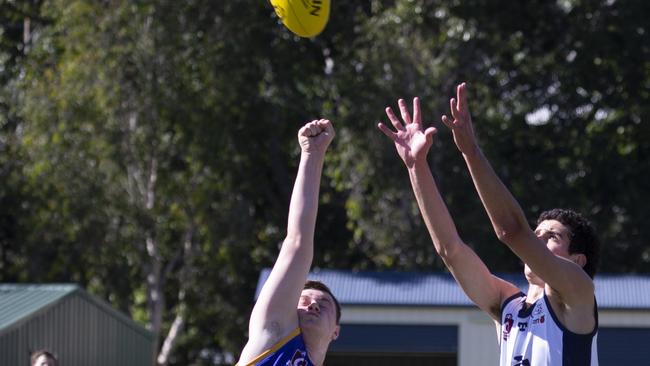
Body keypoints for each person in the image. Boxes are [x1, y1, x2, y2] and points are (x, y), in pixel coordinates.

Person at [377, 84, 599, 365]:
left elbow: (512, 231)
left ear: (578, 260)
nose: (537, 239)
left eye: (552, 236)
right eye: (537, 233)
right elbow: (450, 250)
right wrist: (416, 166)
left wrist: (471, 152)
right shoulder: (507, 305)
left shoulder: (578, 293)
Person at [236, 119, 341, 366]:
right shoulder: (274, 335)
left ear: (336, 331)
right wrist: (312, 154)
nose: (313, 304)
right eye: (303, 301)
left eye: (323, 303)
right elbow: (297, 243)